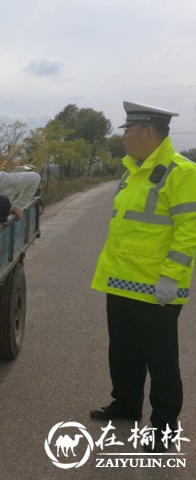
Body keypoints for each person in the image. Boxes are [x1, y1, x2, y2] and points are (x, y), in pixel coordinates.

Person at [90, 101, 196, 453]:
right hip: (120, 282)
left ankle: (164, 429)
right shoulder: (132, 171)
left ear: (147, 131)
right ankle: (126, 404)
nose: (123, 138)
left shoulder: (181, 172)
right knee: (122, 352)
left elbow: (188, 231)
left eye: (127, 131)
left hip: (155, 288)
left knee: (160, 359)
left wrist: (172, 276)